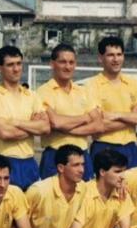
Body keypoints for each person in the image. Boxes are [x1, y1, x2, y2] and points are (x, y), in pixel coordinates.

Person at [0, 45, 49, 191]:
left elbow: (45, 127)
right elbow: (5, 133)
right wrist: (33, 126)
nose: (16, 69)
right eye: (10, 65)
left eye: (19, 64)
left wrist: (17, 123)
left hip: (29, 161)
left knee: (30, 210)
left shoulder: (32, 96)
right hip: (3, 162)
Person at [37, 44, 103, 180]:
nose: (67, 67)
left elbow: (98, 125)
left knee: (84, 199)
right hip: (55, 156)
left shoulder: (83, 91)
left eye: (71, 62)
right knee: (53, 200)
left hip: (82, 155)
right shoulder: (43, 92)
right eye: (63, 62)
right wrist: (85, 118)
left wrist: (65, 127)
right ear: (52, 64)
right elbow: (55, 122)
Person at [85, 36, 137, 169]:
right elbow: (98, 124)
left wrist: (117, 115)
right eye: (110, 55)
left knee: (129, 189)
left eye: (119, 54)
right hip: (104, 147)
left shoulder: (133, 82)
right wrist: (132, 117)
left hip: (130, 148)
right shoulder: (91, 85)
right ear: (100, 58)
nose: (116, 59)